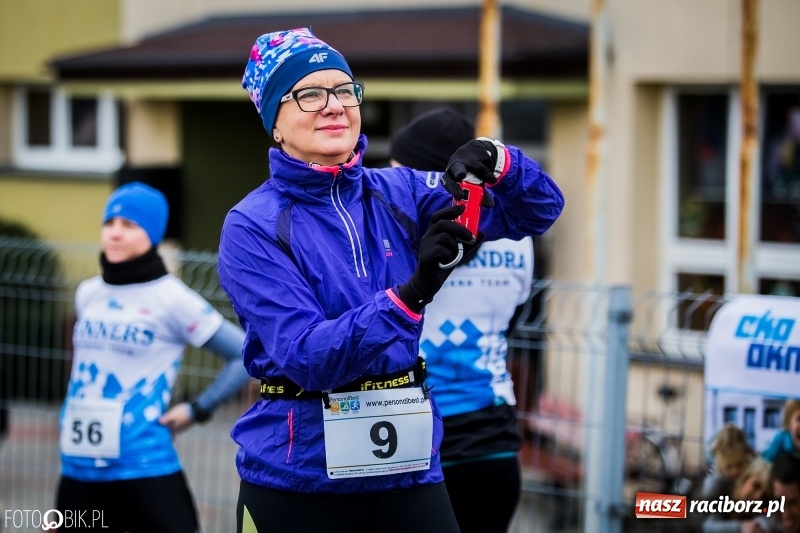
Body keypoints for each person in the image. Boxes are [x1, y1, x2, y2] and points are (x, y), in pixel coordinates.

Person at [218, 28, 564, 533]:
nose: (333, 106)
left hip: (409, 473)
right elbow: (308, 357)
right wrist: (412, 294)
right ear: (275, 122)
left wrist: (498, 161)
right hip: (297, 478)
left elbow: (538, 210)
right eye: (309, 94)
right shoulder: (251, 225)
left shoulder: (399, 190)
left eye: (343, 90)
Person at [56, 182, 252, 533]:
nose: (115, 234)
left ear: (153, 234)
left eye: (129, 226)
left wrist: (197, 409)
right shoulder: (89, 293)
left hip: (143, 463)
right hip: (76, 465)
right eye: (109, 223)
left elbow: (243, 353)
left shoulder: (171, 298)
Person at [389, 107, 532, 533]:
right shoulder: (517, 239)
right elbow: (516, 311)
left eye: (400, 172)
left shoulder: (405, 242)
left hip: (419, 442)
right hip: (496, 443)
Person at [702, 457, 770, 532]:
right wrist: (741, 527)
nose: (758, 496)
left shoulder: (758, 514)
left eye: (764, 496)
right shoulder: (722, 492)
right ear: (745, 478)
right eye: (755, 485)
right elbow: (707, 527)